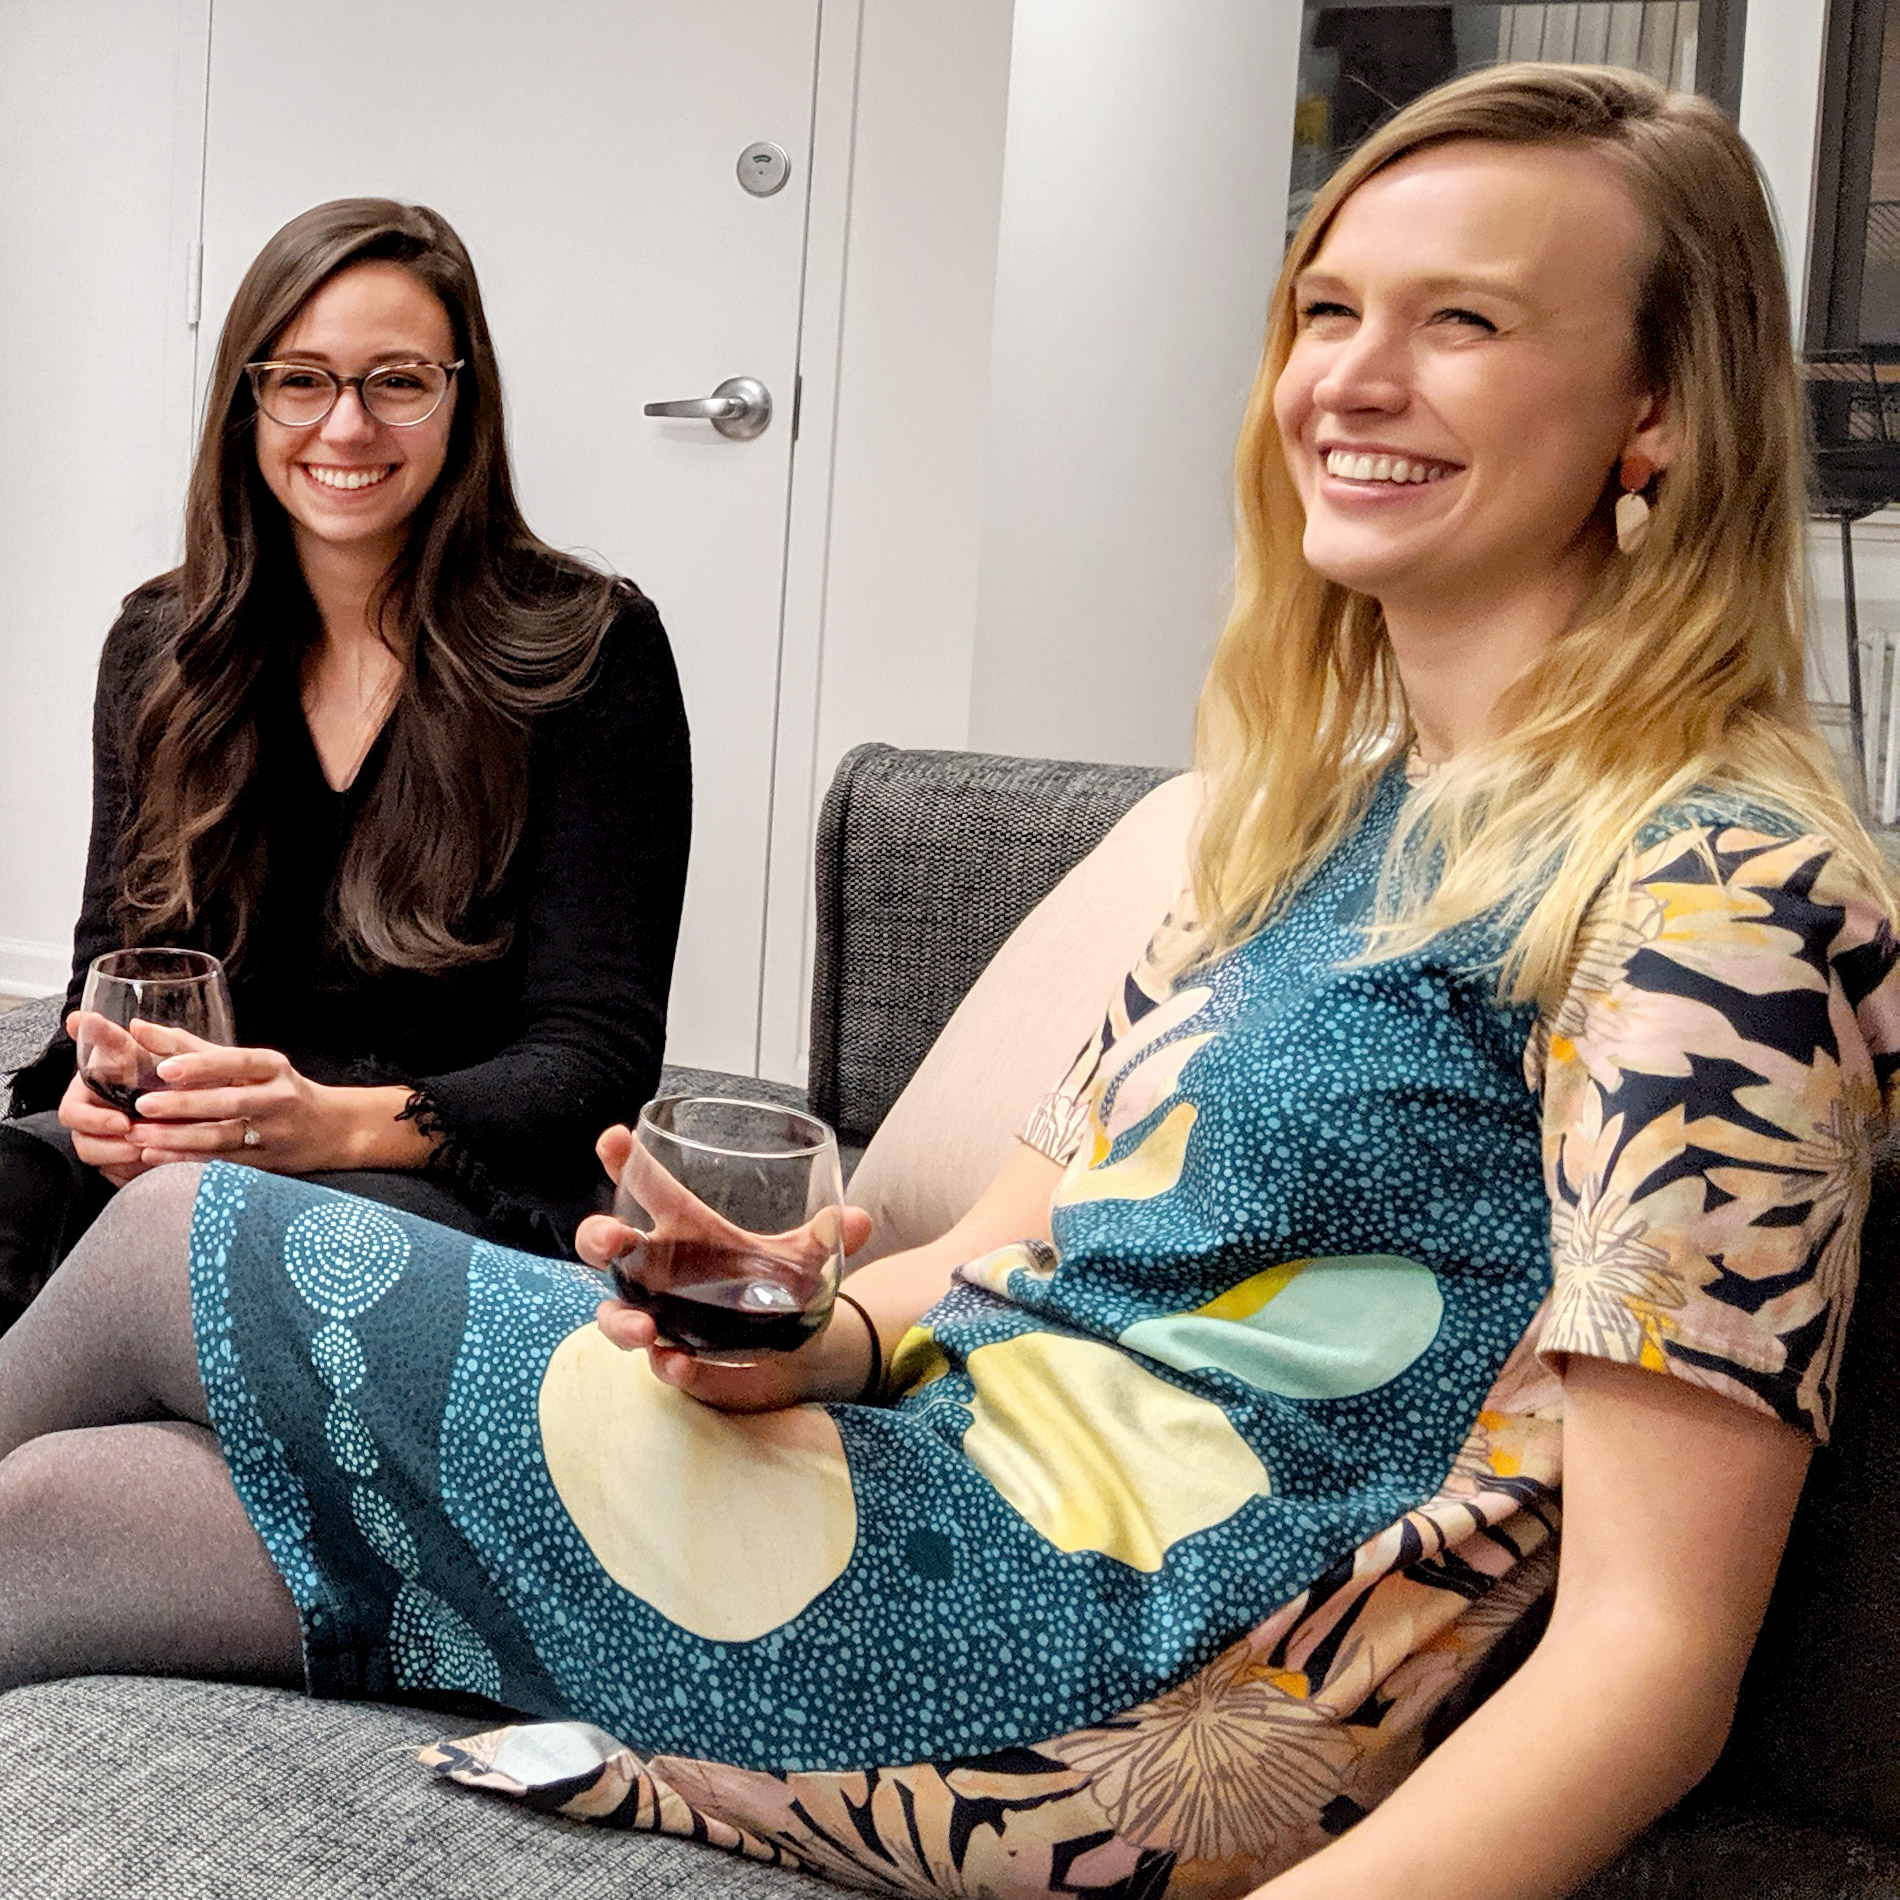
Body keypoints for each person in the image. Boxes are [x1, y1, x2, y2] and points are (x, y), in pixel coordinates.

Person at [0, 64, 1891, 1900]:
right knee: (62, 1515)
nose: (1351, 379)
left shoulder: (1722, 896)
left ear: (1657, 410)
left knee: (183, 1235)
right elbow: (998, 1249)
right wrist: (792, 1332)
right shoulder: (1319, 820)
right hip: (905, 1473)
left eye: (1464, 319)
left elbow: (1650, 1666)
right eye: (1325, 308)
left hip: (1063, 1631)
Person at [0, 198, 692, 1316]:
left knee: (199, 1240)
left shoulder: (591, 650)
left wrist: (328, 1124)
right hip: (187, 1158)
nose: (346, 425)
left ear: (461, 401)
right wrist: (95, 1094)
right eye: (303, 379)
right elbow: (113, 971)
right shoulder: (159, 647)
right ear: (250, 402)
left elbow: (593, 1055)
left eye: (398, 380)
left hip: (442, 1177)